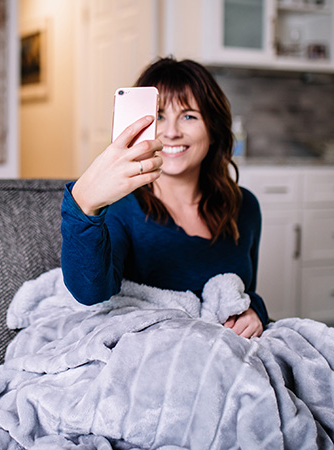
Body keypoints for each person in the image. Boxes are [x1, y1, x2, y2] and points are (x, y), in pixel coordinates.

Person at [60, 57, 267, 338]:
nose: (171, 132)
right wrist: (84, 204)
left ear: (213, 130)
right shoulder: (123, 209)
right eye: (158, 116)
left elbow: (245, 290)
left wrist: (255, 310)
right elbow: (90, 292)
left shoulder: (244, 206)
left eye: (189, 116)